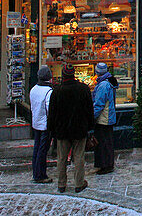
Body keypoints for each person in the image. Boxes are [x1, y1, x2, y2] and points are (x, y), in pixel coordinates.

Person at [47, 63, 95, 194]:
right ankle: (79, 183)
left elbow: (52, 112)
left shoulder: (57, 90)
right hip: (79, 128)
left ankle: (61, 184)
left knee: (62, 158)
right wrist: (90, 126)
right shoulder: (83, 89)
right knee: (79, 156)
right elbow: (89, 109)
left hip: (62, 130)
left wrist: (51, 129)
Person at [91, 62, 118, 174]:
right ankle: (108, 164)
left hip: (104, 118)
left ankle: (105, 165)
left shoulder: (103, 85)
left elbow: (99, 104)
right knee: (107, 142)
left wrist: (93, 117)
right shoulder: (109, 82)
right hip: (109, 116)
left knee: (102, 143)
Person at [29, 65, 54, 183]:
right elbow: (50, 109)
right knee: (43, 150)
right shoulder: (48, 91)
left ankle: (36, 171)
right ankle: (40, 174)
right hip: (45, 125)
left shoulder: (33, 89)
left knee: (37, 148)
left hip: (36, 122)